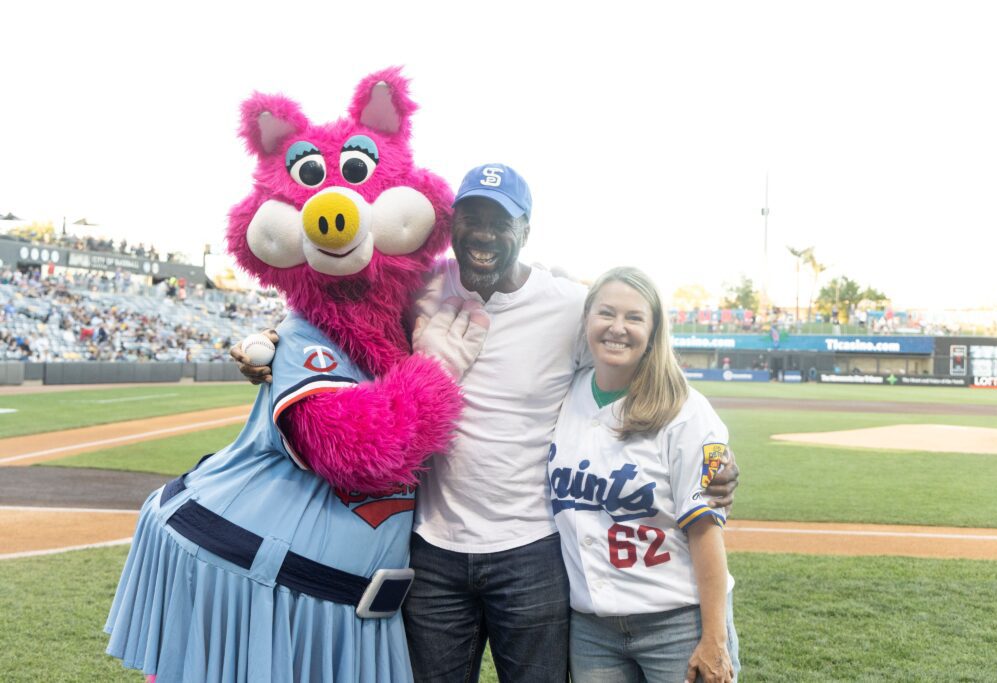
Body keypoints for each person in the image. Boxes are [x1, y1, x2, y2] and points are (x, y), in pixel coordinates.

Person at [234, 163, 740, 682]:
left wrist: (710, 456)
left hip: (532, 551)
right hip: (432, 551)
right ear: (452, 224)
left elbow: (638, 366)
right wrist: (275, 340)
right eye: (470, 217)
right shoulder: (420, 288)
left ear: (526, 230)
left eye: (500, 222)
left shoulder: (569, 308)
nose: (483, 233)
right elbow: (342, 313)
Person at [549, 267, 739, 683]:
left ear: (653, 332)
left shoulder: (689, 411)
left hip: (677, 622)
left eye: (634, 318)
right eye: (606, 313)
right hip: (592, 628)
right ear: (586, 322)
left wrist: (714, 639)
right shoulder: (564, 395)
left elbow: (706, 530)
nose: (617, 328)